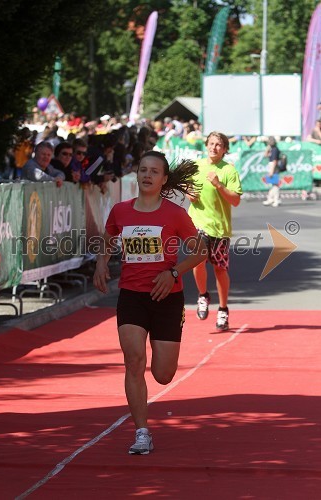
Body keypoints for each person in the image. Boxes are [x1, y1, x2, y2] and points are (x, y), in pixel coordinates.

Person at [93, 150, 207, 455]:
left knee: (162, 374)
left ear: (164, 179)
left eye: (154, 171)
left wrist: (173, 272)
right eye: (143, 170)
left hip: (167, 298)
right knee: (133, 362)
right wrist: (101, 263)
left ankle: (161, 349)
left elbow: (199, 252)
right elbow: (109, 235)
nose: (147, 175)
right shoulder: (121, 210)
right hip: (132, 295)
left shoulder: (175, 214)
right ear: (137, 174)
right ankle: (142, 432)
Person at [187, 131, 242, 330]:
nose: (213, 147)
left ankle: (223, 309)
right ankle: (202, 295)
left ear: (225, 149)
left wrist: (219, 185)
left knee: (219, 269)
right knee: (198, 260)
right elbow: (189, 188)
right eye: (211, 143)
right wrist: (189, 194)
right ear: (206, 145)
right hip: (198, 223)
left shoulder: (229, 171)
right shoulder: (197, 166)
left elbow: (235, 200)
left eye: (218, 145)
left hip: (220, 228)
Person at [262, 136, 281, 207]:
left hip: (274, 167)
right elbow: (265, 155)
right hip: (271, 166)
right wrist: (267, 148)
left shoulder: (275, 149)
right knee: (273, 184)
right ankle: (271, 198)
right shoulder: (272, 149)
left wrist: (271, 171)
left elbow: (274, 161)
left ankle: (276, 199)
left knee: (275, 184)